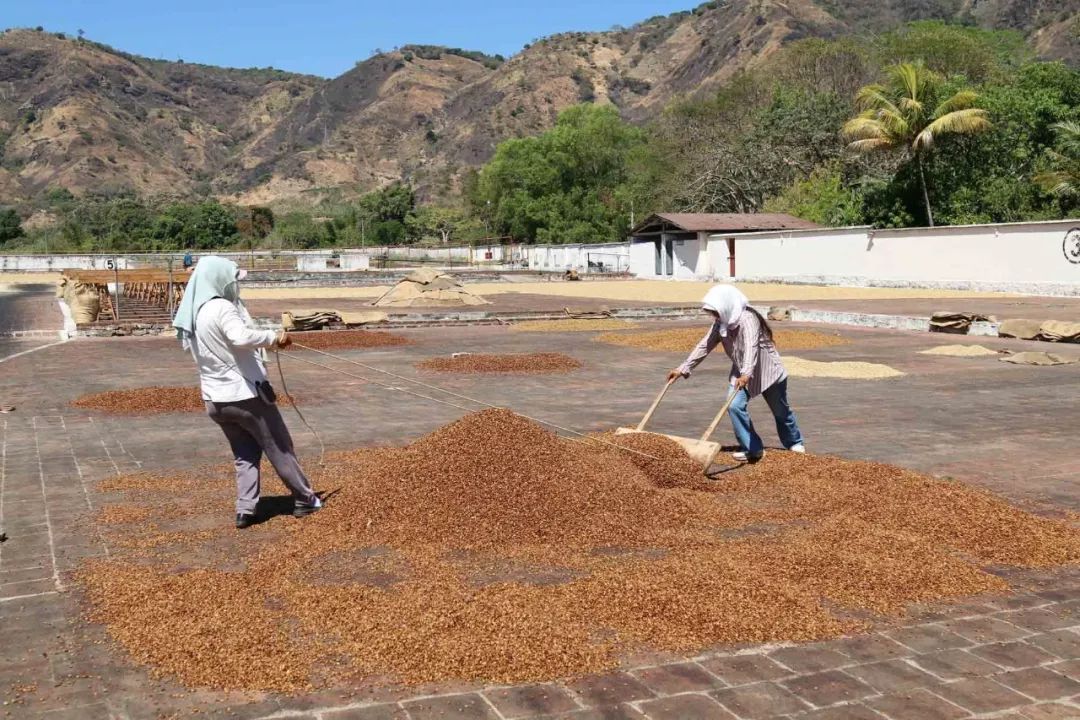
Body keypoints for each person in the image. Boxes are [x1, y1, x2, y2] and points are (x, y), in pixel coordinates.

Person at [172, 256, 322, 528]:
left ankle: (245, 509)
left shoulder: (195, 311)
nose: (235, 285)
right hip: (244, 395)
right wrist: (273, 337)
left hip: (215, 400)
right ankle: (305, 498)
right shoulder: (221, 307)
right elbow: (240, 336)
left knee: (245, 453)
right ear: (218, 279)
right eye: (232, 280)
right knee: (279, 447)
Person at [668, 285, 805, 462]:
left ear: (726, 305)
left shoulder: (748, 319)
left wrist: (747, 373)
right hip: (741, 373)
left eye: (715, 311)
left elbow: (751, 348)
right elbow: (705, 345)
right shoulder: (721, 322)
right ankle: (753, 448)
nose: (715, 316)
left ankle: (795, 442)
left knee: (780, 410)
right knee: (733, 406)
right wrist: (682, 368)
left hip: (767, 372)